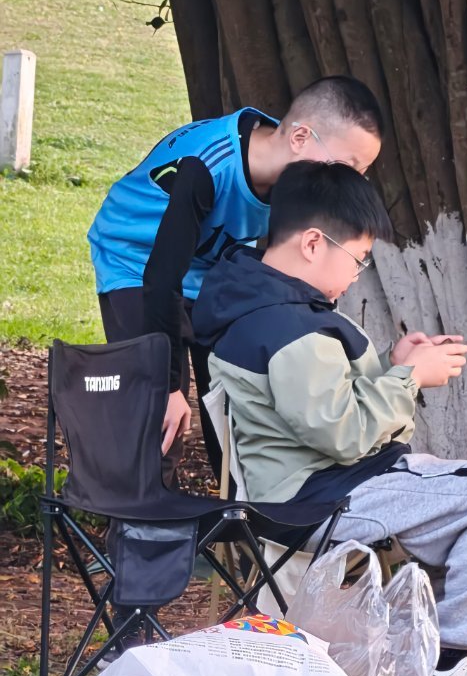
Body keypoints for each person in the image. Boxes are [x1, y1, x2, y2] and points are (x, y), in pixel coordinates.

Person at [191, 160, 467, 676]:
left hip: (319, 487)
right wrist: (411, 378)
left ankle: (420, 637)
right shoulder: (287, 327)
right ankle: (449, 661)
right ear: (313, 243)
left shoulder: (263, 304)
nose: (357, 273)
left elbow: (322, 405)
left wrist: (389, 365)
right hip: (319, 501)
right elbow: (346, 434)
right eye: (356, 258)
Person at [87, 76, 385, 466]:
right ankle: (143, 521)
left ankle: (235, 514)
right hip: (136, 259)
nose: (353, 182)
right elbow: (161, 280)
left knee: (231, 398)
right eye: (349, 166)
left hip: (205, 267)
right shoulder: (207, 167)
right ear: (299, 138)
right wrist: (167, 384)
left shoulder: (292, 180)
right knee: (159, 404)